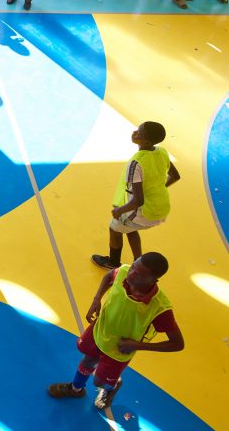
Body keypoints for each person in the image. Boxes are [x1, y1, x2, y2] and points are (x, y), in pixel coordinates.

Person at [48, 253, 183, 410]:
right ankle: (75, 389)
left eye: (139, 274)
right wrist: (96, 299)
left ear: (153, 280)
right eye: (133, 267)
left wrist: (136, 345)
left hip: (119, 348)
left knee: (99, 381)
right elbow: (109, 275)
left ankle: (113, 385)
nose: (131, 274)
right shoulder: (124, 272)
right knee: (88, 360)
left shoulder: (159, 308)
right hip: (100, 330)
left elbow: (177, 344)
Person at [91, 122, 180, 270]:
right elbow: (175, 176)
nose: (134, 132)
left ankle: (113, 262)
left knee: (115, 228)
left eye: (138, 132)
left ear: (146, 141)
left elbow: (138, 200)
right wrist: (156, 189)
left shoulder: (136, 163)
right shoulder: (162, 152)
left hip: (145, 211)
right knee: (130, 228)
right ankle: (138, 262)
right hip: (161, 207)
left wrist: (120, 210)